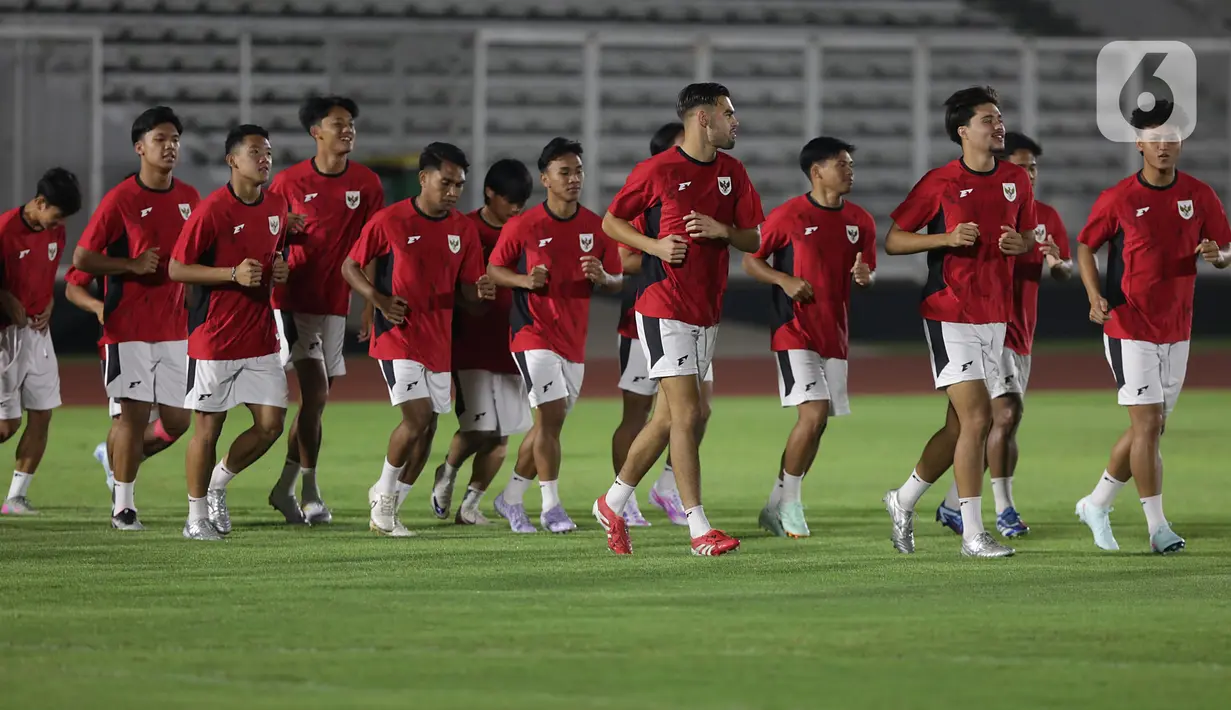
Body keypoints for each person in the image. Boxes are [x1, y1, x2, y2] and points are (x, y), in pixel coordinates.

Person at [594, 82, 764, 556]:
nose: (735, 122)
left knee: (669, 418)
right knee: (688, 414)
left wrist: (723, 230)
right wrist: (654, 246)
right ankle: (698, 528)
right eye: (728, 113)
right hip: (662, 305)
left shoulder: (733, 172)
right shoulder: (658, 170)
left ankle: (612, 503)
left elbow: (754, 239)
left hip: (706, 310)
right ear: (703, 119)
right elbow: (611, 222)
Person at [880, 85, 1034, 559]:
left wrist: (1021, 244)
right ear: (963, 131)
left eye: (1000, 118)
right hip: (950, 312)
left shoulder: (1017, 179)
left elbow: (1027, 235)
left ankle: (903, 499)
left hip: (995, 315)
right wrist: (944, 238)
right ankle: (973, 535)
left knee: (957, 428)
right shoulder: (940, 182)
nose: (999, 126)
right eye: (989, 119)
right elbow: (894, 240)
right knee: (980, 418)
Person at [1074, 100, 1230, 555]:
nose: (1164, 146)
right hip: (1129, 325)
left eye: (1171, 138)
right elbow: (1085, 246)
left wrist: (1219, 257)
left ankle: (1096, 503)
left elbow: (1225, 248)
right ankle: (1158, 528)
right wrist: (1094, 295)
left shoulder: (1200, 195)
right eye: (1154, 139)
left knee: (1152, 427)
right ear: (1139, 144)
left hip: (1177, 328)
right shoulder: (1119, 198)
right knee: (1146, 424)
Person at [341, 142, 494, 538]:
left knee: (428, 430)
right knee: (418, 418)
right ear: (423, 178)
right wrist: (377, 300)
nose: (454, 192)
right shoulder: (390, 220)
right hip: (397, 336)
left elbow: (468, 296)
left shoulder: (462, 230)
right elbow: (351, 265)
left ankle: (390, 500)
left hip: (438, 342)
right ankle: (383, 501)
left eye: (460, 185)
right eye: (446, 183)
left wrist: (481, 294)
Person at [934, 131, 1071, 538]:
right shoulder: (985, 209)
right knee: (1005, 414)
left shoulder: (1046, 217)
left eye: (1034, 167)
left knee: (988, 422)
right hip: (987, 324)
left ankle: (951, 503)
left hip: (1021, 329)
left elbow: (1064, 268)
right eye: (1022, 167)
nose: (1030, 174)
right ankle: (1003, 509)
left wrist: (1058, 265)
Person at [486, 138, 623, 534]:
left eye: (578, 171)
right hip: (532, 333)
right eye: (565, 172)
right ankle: (551, 507)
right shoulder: (523, 225)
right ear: (545, 179)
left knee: (549, 423)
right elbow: (495, 269)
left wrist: (604, 277)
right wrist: (524, 281)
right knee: (549, 417)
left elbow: (617, 278)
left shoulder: (595, 226)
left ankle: (510, 497)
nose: (574, 178)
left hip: (572, 341)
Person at [742, 137, 876, 538]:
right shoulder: (789, 215)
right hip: (794, 329)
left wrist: (866, 276)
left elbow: (866, 270)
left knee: (818, 425)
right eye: (842, 164)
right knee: (813, 414)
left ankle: (775, 504)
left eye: (851, 164)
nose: (850, 171)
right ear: (817, 172)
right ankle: (792, 504)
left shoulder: (861, 221)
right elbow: (751, 260)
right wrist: (784, 279)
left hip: (834, 333)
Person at [73, 106, 199, 531]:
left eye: (175, 139)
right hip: (127, 328)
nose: (170, 146)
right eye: (160, 139)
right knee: (133, 415)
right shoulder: (121, 199)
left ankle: (114, 460)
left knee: (178, 421)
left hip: (175, 328)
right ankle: (123, 507)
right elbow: (83, 258)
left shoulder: (190, 198)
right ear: (139, 147)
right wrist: (130, 265)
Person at [169, 124, 291, 541]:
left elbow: (276, 251)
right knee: (207, 430)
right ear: (232, 160)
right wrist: (230, 274)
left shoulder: (277, 205)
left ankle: (218, 484)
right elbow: (177, 268)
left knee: (271, 425)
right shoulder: (212, 210)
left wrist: (279, 267)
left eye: (268, 152)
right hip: (215, 339)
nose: (264, 159)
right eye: (255, 152)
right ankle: (195, 518)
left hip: (260, 336)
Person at [268, 95, 385, 525]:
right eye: (338, 123)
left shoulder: (367, 183)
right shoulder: (288, 182)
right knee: (315, 395)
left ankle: (285, 488)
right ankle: (311, 492)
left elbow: (373, 246)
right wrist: (282, 229)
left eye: (350, 122)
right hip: (293, 302)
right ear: (316, 131)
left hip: (336, 304)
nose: (347, 129)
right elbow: (265, 235)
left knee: (315, 405)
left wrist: (370, 303)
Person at [610, 120, 715, 528]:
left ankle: (664, 487)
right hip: (649, 318)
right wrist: (660, 250)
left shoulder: (706, 190)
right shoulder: (649, 195)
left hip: (697, 315)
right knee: (642, 414)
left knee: (696, 411)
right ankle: (627, 501)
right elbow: (625, 258)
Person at [428, 158, 534, 525]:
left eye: (521, 202)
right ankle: (447, 472)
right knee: (479, 427)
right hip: (471, 340)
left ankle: (470, 506)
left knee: (503, 435)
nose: (516, 208)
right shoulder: (465, 228)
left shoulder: (526, 230)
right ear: (490, 193)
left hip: (513, 339)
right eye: (510, 200)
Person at [0, 168, 82, 515]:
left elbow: (44, 274)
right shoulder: (4, 230)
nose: (59, 224)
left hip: (38, 334)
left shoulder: (55, 231)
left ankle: (15, 498)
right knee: (6, 426)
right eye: (57, 215)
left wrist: (48, 302)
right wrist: (6, 298)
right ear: (40, 202)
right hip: (5, 337)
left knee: (42, 413)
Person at [62, 266, 169, 494]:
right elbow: (73, 287)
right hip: (123, 340)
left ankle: (114, 461)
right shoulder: (112, 244)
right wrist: (98, 307)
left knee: (174, 423)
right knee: (127, 419)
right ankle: (120, 491)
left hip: (168, 337)